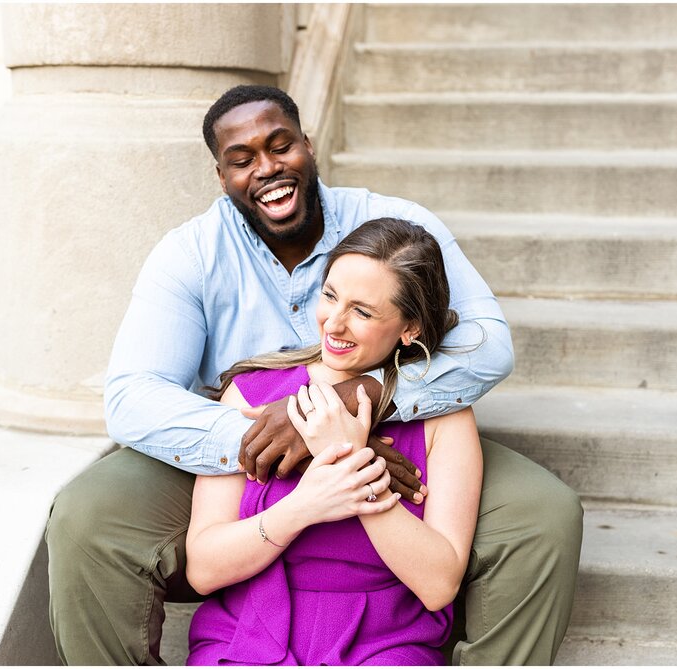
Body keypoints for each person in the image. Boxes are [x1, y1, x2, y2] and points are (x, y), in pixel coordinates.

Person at [45, 84, 583, 666]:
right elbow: (132, 399)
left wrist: (363, 398)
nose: (268, 169)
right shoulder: (191, 255)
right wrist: (278, 445)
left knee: (544, 514)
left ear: (309, 143)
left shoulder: (395, 224)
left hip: (399, 434)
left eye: (281, 146)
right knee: (87, 515)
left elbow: (488, 344)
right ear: (220, 174)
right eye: (242, 159)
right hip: (237, 443)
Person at [185, 217, 483, 665]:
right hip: (249, 631)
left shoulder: (445, 418)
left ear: (410, 328)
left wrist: (354, 473)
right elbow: (203, 570)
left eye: (362, 311)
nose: (334, 323)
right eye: (329, 296)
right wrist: (306, 505)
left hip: (384, 642)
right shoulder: (252, 395)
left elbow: (439, 584)